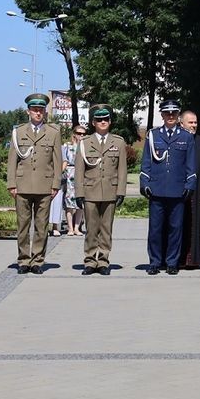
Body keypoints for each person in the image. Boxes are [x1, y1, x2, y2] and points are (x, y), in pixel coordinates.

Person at [140, 99, 197, 275]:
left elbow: (191, 164)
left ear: (178, 115)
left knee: (175, 228)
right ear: (162, 115)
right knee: (155, 229)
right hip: (157, 189)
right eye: (167, 113)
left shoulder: (186, 136)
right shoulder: (153, 136)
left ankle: (172, 262)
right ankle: (155, 262)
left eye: (173, 113)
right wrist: (144, 183)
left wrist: (190, 184)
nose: (170, 116)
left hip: (177, 189)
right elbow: (146, 162)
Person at [6, 93, 61, 275]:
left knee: (41, 225)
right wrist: (11, 183)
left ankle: (37, 259)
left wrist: (55, 185)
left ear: (45, 112)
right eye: (34, 110)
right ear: (28, 111)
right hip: (22, 186)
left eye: (41, 110)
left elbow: (57, 160)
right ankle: (23, 259)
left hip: (45, 186)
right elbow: (12, 160)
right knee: (22, 225)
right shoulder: (18, 132)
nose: (38, 113)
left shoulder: (53, 132)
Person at [73, 105, 126, 275]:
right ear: (93, 122)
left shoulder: (118, 142)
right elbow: (79, 170)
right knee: (91, 228)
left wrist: (121, 191)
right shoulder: (85, 143)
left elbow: (122, 170)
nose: (103, 122)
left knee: (106, 229)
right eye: (99, 119)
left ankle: (103, 261)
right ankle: (90, 261)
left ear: (110, 121)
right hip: (90, 192)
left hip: (110, 191)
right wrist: (79, 193)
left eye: (106, 119)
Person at [179, 110, 200, 269]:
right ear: (181, 123)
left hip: (198, 191)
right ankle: (179, 259)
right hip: (178, 190)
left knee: (199, 225)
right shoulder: (176, 140)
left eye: (195, 122)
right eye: (190, 122)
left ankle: (195, 259)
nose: (194, 125)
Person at [62, 125, 85, 237]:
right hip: (70, 173)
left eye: (83, 134)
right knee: (69, 203)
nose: (81, 136)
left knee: (81, 203)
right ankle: (70, 227)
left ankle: (77, 227)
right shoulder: (67, 146)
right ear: (74, 134)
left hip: (82, 174)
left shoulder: (86, 146)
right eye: (79, 133)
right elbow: (64, 161)